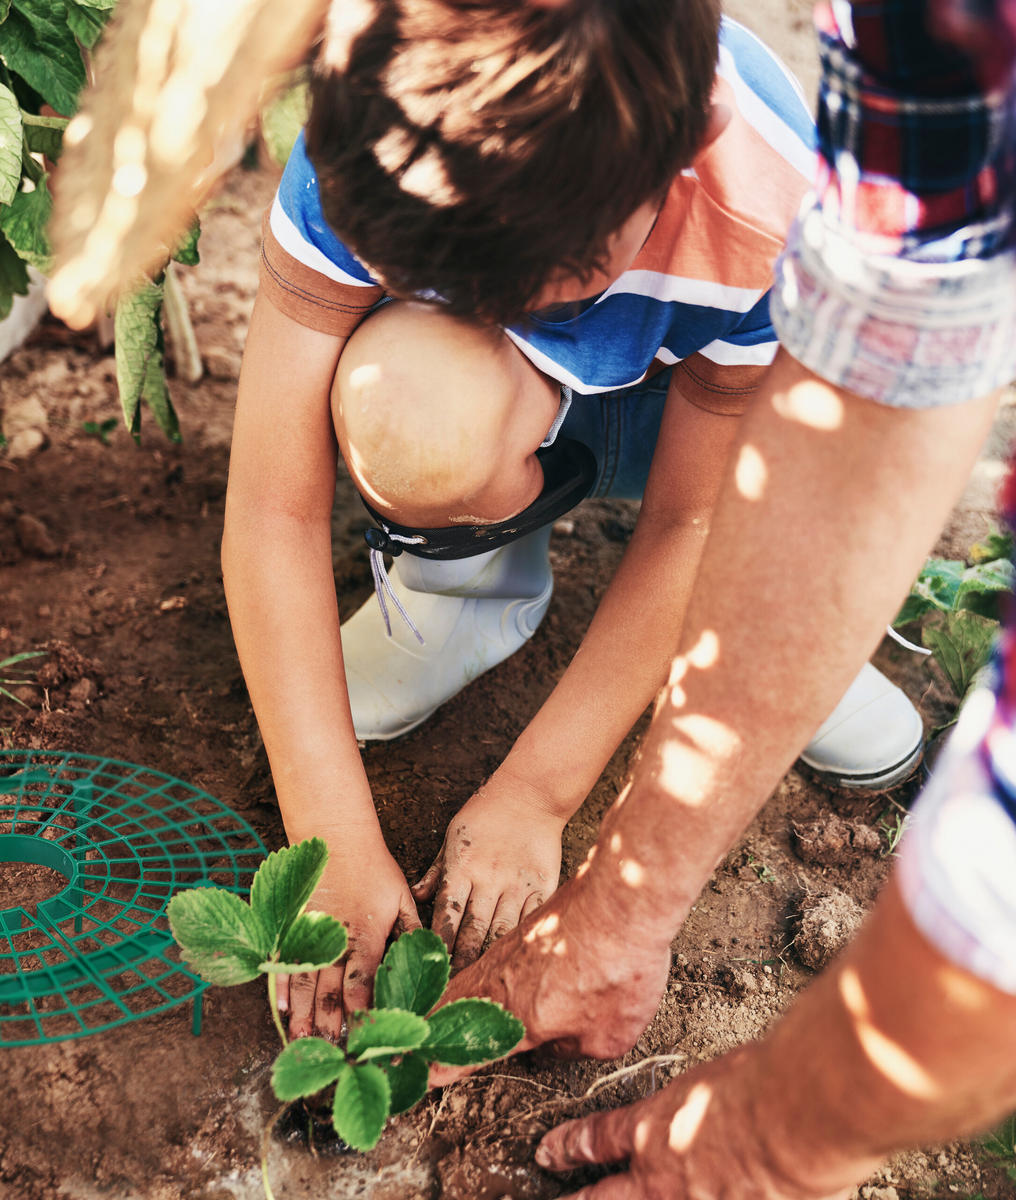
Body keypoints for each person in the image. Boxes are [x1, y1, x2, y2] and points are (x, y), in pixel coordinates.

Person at [223, 0, 935, 1042]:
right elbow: (272, 506)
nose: (496, 298)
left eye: (541, 279)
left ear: (684, 148)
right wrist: (327, 833)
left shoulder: (773, 199)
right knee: (406, 409)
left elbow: (695, 519)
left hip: (718, 407)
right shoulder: (376, 125)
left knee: (827, 450)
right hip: (507, 399)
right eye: (450, 277)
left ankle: (763, 633)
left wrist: (538, 796)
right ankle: (468, 589)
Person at [431, 1, 1016, 1194]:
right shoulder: (938, 32)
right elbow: (897, 340)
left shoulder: (758, 182)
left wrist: (785, 1138)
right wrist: (622, 909)